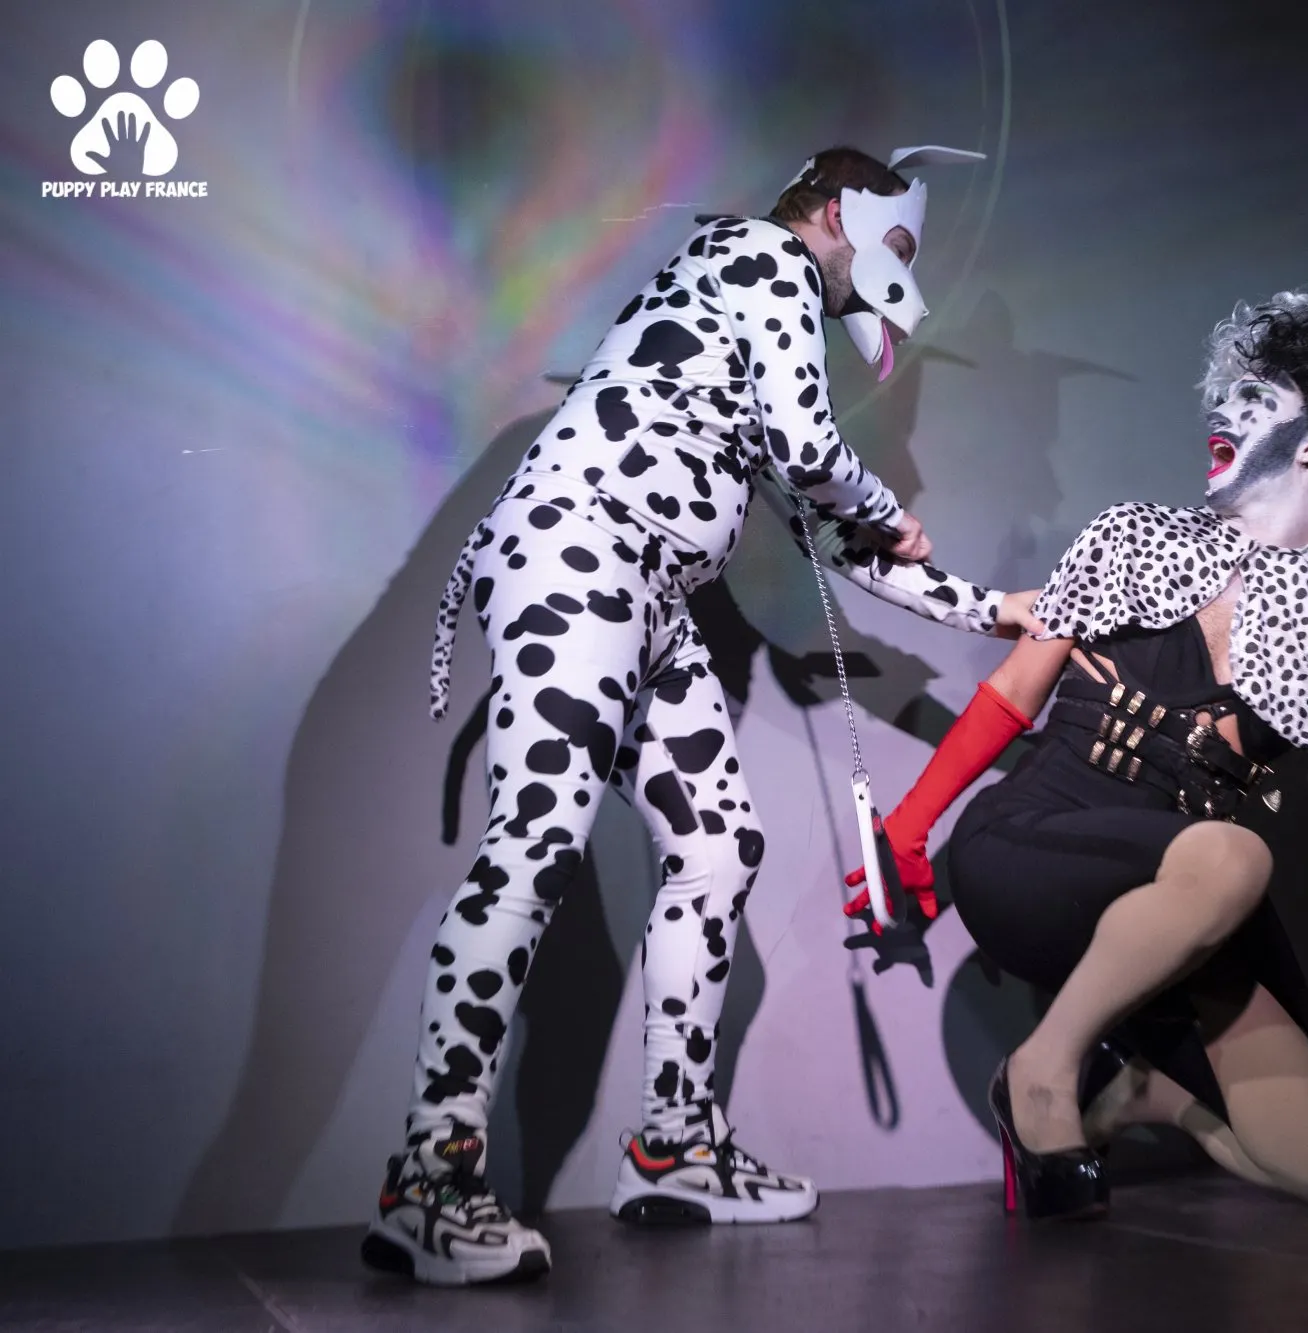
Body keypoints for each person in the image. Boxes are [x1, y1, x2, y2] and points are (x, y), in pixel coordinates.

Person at [365, 145, 1041, 1285]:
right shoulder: (759, 259)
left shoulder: (740, 329)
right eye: (896, 243)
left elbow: (835, 534)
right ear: (837, 213)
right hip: (582, 554)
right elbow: (819, 460)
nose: (894, 276)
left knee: (720, 846)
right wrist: (884, 502)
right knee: (534, 844)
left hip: (648, 589)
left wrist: (992, 609)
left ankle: (673, 1148)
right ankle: (428, 1180)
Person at [847, 291, 1308, 1218]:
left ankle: (1141, 1093)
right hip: (1034, 847)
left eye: (1256, 397)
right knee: (1239, 854)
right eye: (1227, 392)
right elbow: (1013, 693)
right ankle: (1041, 1070)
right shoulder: (1134, 535)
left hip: (1185, 905)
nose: (1223, 410)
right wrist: (910, 831)